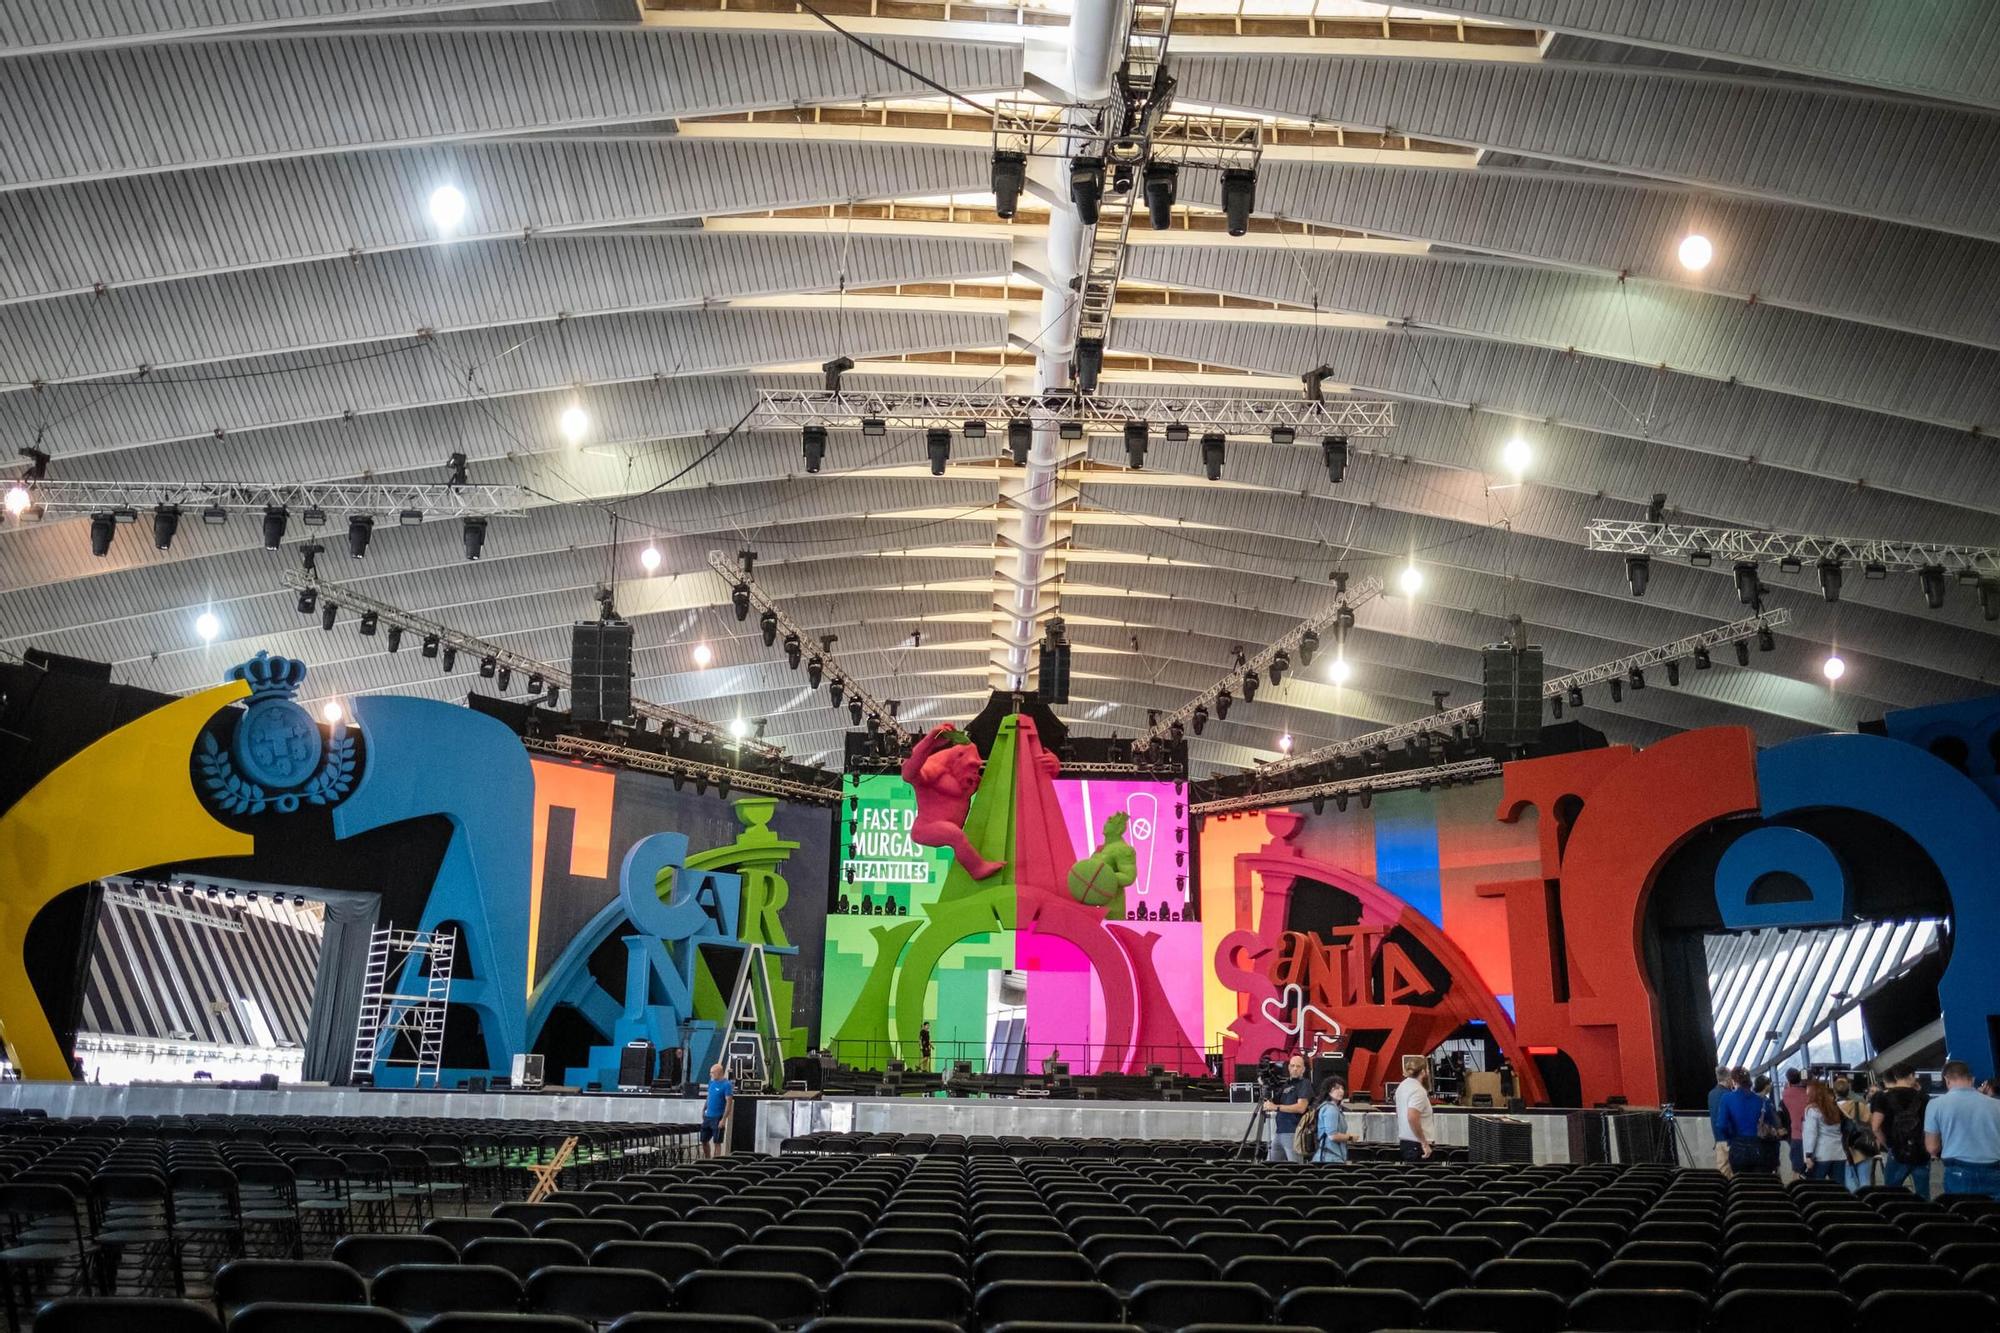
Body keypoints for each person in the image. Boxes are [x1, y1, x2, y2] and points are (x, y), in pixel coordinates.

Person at [1924, 1059, 2000, 1199]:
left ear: (1946, 1080)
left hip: (1958, 1171)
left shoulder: (1935, 1105)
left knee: (1962, 1214)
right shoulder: (1997, 1105)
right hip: (1995, 1169)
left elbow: (1932, 1148)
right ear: (1972, 1079)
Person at [1870, 1063, 1932, 1199]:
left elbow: (1875, 1126)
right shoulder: (1924, 1098)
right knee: (1923, 1195)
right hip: (1921, 1153)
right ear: (1911, 1076)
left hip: (1897, 1152)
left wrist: (1888, 1144)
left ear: (1895, 1076)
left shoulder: (1882, 1097)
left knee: (1891, 1194)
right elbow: (1930, 1127)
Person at [1716, 1066, 1776, 1174]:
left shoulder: (1726, 1098)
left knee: (1741, 1184)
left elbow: (1721, 1125)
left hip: (1738, 1147)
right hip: (1759, 1147)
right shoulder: (1761, 1100)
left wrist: (1730, 1139)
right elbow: (1770, 1123)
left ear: (1733, 1081)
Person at [1263, 1054, 1314, 1162]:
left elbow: (1301, 1107)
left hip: (1293, 1132)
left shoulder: (1305, 1084)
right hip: (1279, 1132)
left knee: (1294, 1167)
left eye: (1298, 1066)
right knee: (1270, 1165)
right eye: (1292, 1066)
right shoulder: (1286, 1084)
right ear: (1289, 1068)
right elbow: (1274, 1101)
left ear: (1303, 1069)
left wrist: (1276, 1107)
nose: (1295, 1069)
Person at [1799, 1079, 1846, 1183]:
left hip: (1821, 1155)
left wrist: (1808, 1155)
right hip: (1839, 1153)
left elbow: (1811, 1134)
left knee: (1817, 1188)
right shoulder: (1835, 1108)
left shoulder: (1812, 1110)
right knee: (1840, 1188)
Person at [1395, 1062, 1437, 1162]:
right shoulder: (1418, 1090)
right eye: (1427, 1070)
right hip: (1417, 1145)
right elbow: (1412, 1117)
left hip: (1405, 1142)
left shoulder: (1401, 1087)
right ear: (1422, 1072)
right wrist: (1424, 1143)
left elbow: (1399, 1113)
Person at [1312, 1075, 1359, 1163]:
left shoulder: (1327, 1107)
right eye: (1336, 1088)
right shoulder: (1331, 1109)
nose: (1340, 1091)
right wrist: (1350, 1137)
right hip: (1330, 1156)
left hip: (1328, 1155)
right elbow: (1333, 1135)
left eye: (1342, 1088)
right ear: (1328, 1091)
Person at [700, 1062, 734, 1158]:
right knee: (703, 1140)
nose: (710, 1074)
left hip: (718, 1117)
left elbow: (729, 1102)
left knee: (717, 1142)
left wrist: (723, 1119)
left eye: (712, 1072)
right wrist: (704, 1109)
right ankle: (707, 1158)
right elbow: (709, 1096)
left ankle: (716, 1160)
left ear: (718, 1072)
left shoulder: (726, 1085)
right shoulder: (711, 1082)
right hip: (708, 1116)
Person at [1781, 1068, 1809, 1176]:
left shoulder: (1786, 1094)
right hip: (1812, 1136)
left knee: (1797, 1170)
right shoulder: (1809, 1093)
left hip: (1797, 1136)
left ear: (1788, 1081)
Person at [1708, 1065, 1735, 1174]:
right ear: (1728, 1079)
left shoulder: (1711, 1094)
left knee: (1723, 1173)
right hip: (1731, 1140)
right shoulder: (1730, 1095)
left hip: (1718, 1139)